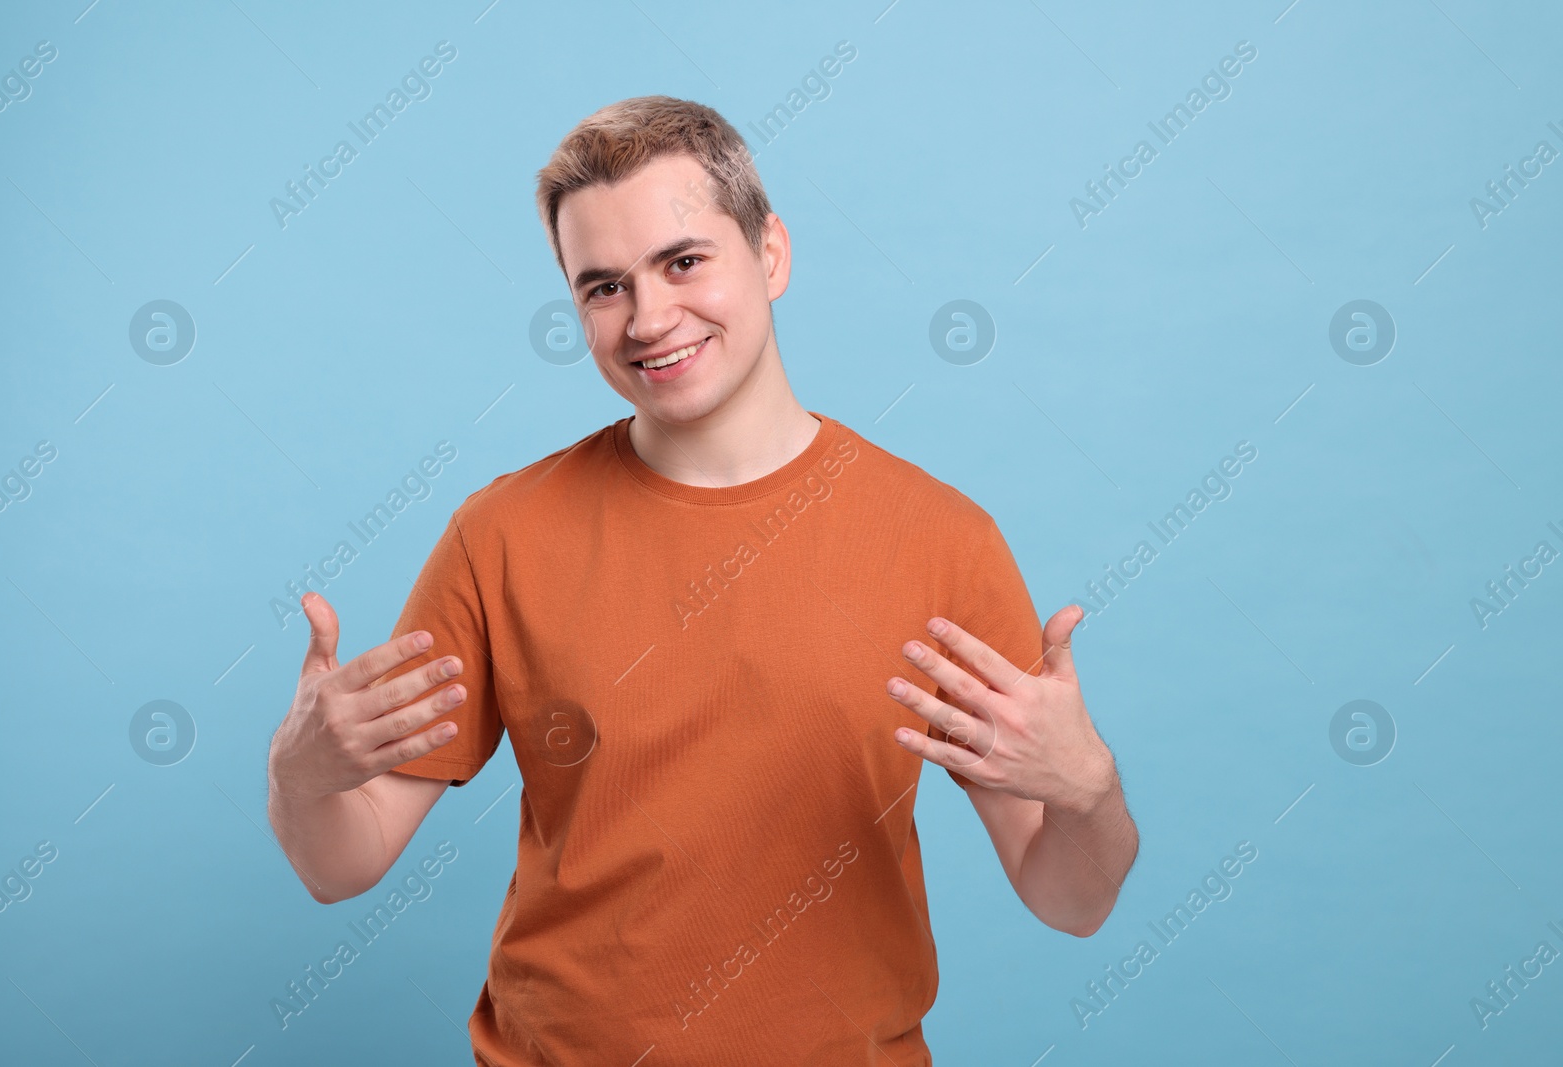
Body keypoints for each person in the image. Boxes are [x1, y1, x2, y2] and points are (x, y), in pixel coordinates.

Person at [267, 95, 1138, 1065]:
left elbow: (1072, 897)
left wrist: (1088, 788)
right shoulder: (500, 535)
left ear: (770, 254)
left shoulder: (941, 540)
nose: (648, 318)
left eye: (683, 262)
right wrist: (299, 779)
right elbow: (343, 863)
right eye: (603, 287)